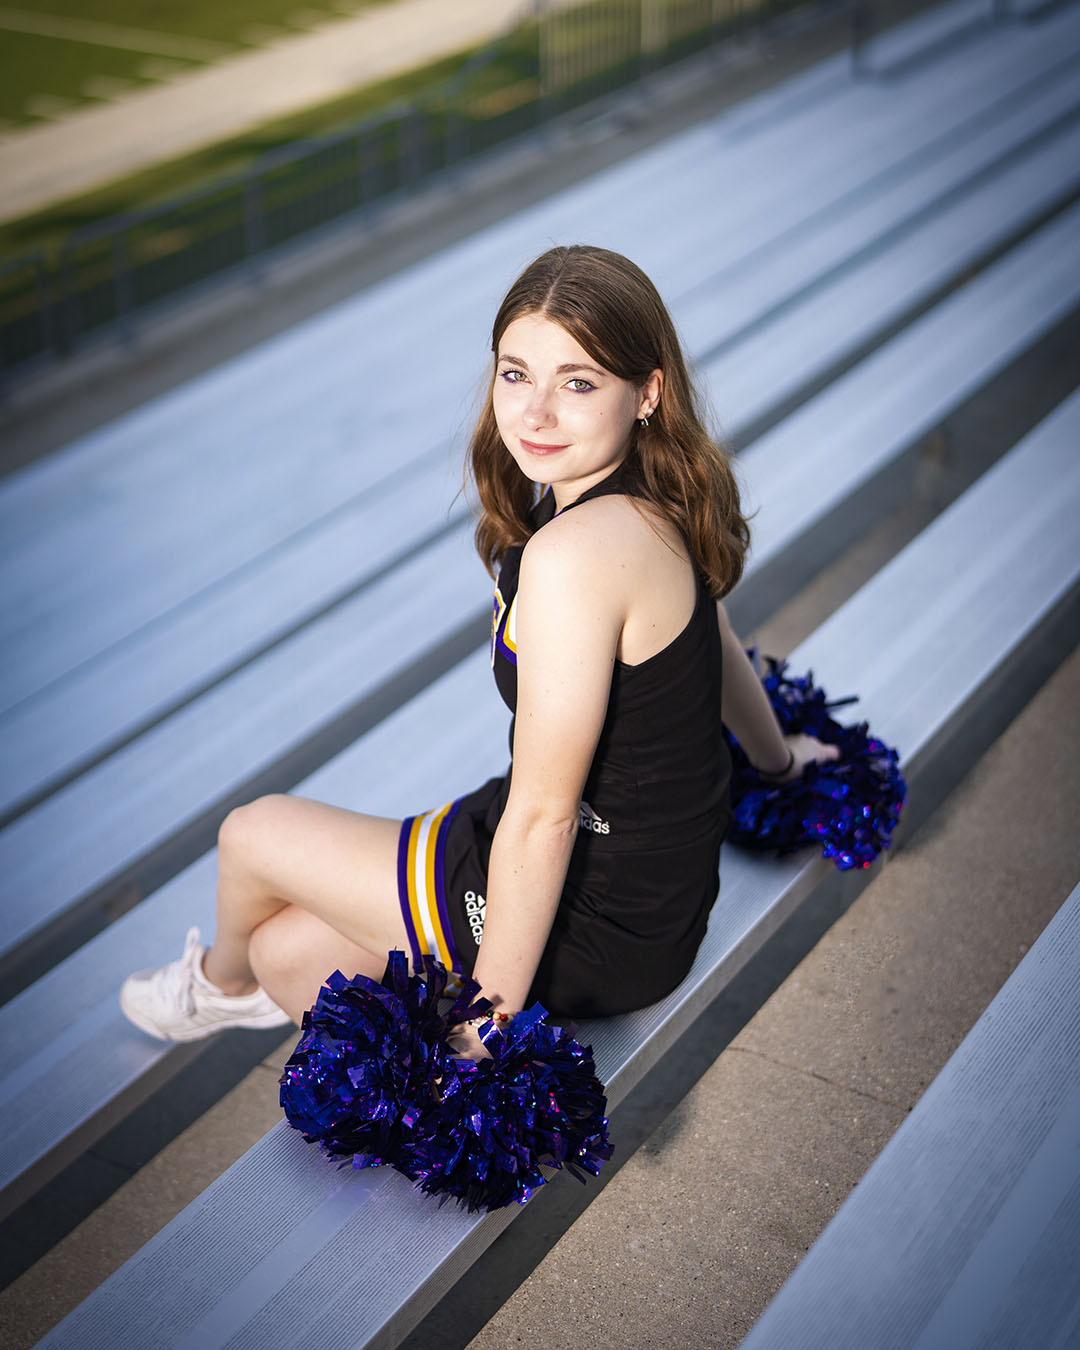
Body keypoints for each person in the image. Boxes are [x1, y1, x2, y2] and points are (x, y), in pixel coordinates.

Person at [120, 244, 836, 1059]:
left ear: (648, 392)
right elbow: (713, 638)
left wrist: (487, 1032)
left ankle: (217, 987)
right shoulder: (649, 500)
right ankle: (253, 977)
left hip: (597, 915)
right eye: (515, 373)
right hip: (645, 885)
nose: (534, 414)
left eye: (578, 382)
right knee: (290, 953)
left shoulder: (576, 557)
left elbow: (543, 817)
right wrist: (780, 766)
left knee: (251, 836)